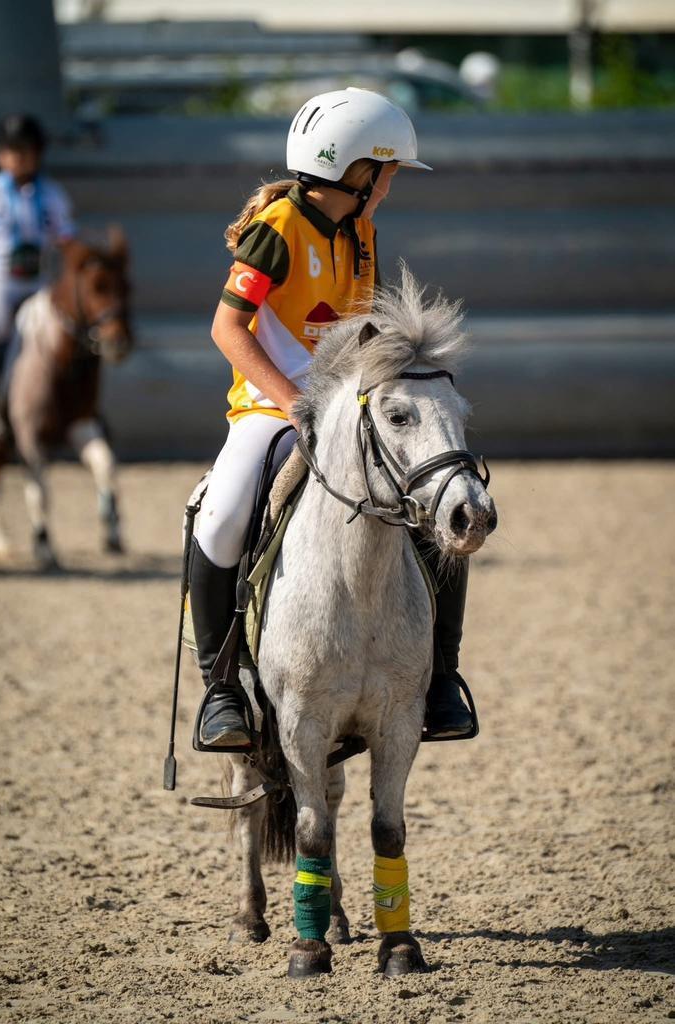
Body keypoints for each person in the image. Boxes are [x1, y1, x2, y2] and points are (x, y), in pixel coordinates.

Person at [191, 87, 476, 749]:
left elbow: (360, 336)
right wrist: (292, 402)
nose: (392, 186)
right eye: (390, 173)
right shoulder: (278, 230)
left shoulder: (363, 232)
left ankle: (440, 679)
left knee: (433, 499)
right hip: (270, 408)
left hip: (349, 411)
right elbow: (227, 329)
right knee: (225, 512)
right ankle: (221, 688)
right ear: (357, 170)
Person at [0, 114, 75, 436]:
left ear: (37, 154)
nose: (17, 158)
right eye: (10, 150)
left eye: (24, 151)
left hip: (39, 280)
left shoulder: (51, 194)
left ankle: (65, 404)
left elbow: (66, 235)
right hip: (1, 279)